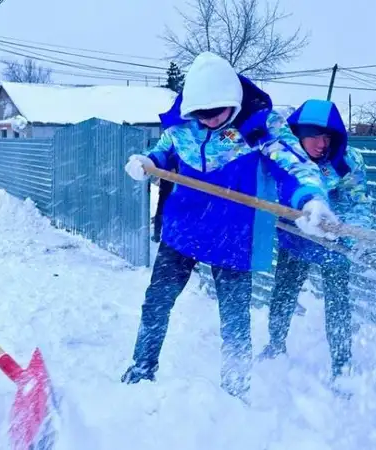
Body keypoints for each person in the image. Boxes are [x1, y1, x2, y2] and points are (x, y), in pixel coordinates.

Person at [120, 52, 338, 399]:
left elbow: (296, 165)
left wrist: (310, 200)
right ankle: (141, 370)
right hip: (184, 228)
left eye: (216, 113)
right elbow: (165, 151)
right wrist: (148, 161)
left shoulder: (262, 127)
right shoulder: (182, 123)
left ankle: (235, 393)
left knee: (235, 321)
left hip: (234, 236)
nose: (207, 121)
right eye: (200, 115)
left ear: (233, 101)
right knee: (156, 302)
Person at [259, 99, 372, 381]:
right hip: (295, 237)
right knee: (283, 294)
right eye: (315, 137)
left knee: (338, 304)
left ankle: (342, 366)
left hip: (333, 244)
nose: (323, 144)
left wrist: (349, 232)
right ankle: (275, 345)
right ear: (298, 134)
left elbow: (358, 202)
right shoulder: (284, 156)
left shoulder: (347, 160)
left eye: (328, 137)